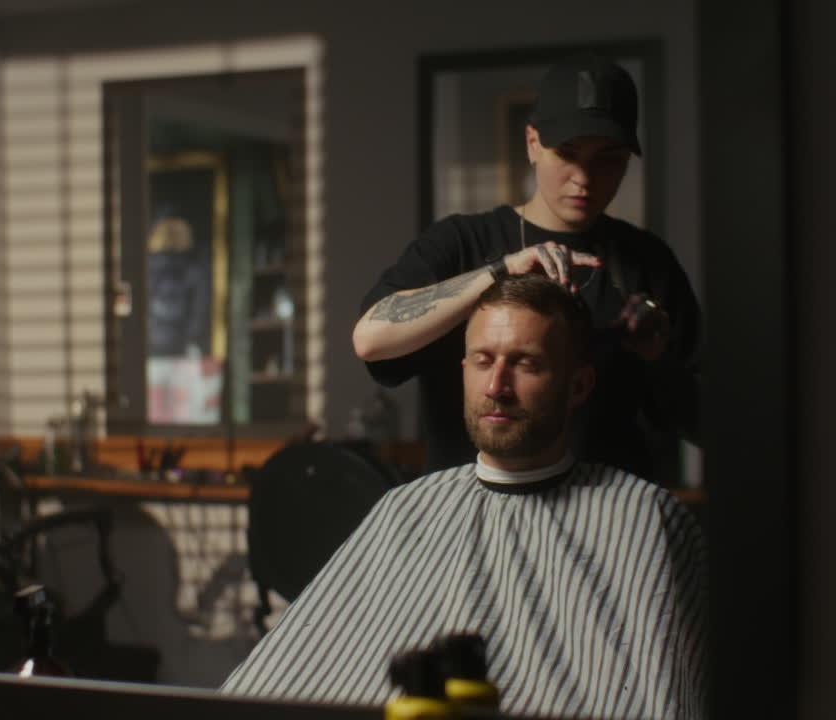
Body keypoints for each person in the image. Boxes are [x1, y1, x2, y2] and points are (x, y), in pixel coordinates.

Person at [223, 275, 707, 719]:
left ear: (578, 385)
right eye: (483, 361)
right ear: (464, 371)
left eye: (525, 363)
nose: (497, 387)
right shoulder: (404, 509)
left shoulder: (648, 519)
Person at [353, 53, 700, 480]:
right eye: (567, 154)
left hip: (606, 523)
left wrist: (659, 357)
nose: (584, 177)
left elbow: (706, 424)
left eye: (607, 158)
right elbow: (371, 338)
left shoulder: (646, 261)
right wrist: (499, 272)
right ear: (533, 143)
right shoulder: (462, 243)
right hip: (474, 521)